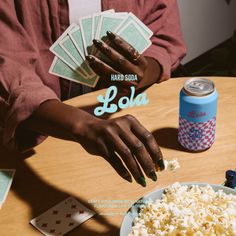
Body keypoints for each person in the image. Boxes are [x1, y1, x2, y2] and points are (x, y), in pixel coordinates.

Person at [0, 0, 186, 187]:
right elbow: (9, 71)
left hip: (127, 116)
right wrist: (83, 125)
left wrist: (140, 73)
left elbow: (165, 37)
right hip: (40, 137)